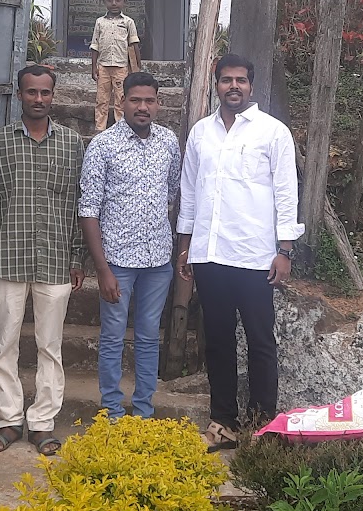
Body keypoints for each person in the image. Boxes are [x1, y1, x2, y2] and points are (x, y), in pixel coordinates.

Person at [176, 53, 303, 450]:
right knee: (217, 341)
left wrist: (285, 249)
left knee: (260, 341)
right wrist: (186, 246)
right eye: (226, 80)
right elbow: (191, 191)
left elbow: (286, 192)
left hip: (254, 257)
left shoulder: (272, 132)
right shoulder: (201, 133)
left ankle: (264, 426)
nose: (234, 86)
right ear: (216, 84)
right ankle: (224, 424)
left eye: (241, 81)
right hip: (210, 256)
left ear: (251, 86)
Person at [0, 64, 84, 456]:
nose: (38, 99)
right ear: (19, 95)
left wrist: (76, 255)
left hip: (54, 259)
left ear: (54, 96)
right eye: (31, 92)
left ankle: (42, 423)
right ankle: (8, 420)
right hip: (8, 259)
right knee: (4, 344)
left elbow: (76, 205)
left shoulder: (71, 144)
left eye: (45, 93)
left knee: (50, 346)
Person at [78, 71, 182, 419]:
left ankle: (143, 410)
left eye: (149, 100)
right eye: (135, 100)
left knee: (150, 336)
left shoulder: (169, 142)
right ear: (121, 102)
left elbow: (171, 193)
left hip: (158, 262)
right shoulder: (102, 145)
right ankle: (110, 409)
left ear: (158, 103)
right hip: (117, 262)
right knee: (112, 336)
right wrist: (102, 268)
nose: (142, 107)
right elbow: (88, 209)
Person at [89, 0, 142, 132]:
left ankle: (120, 129)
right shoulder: (99, 22)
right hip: (103, 67)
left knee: (120, 100)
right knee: (101, 100)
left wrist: (137, 68)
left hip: (121, 68)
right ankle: (100, 129)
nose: (114, 3)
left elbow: (134, 45)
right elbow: (95, 46)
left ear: (124, 2)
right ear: (104, 1)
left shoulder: (128, 22)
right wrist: (94, 67)